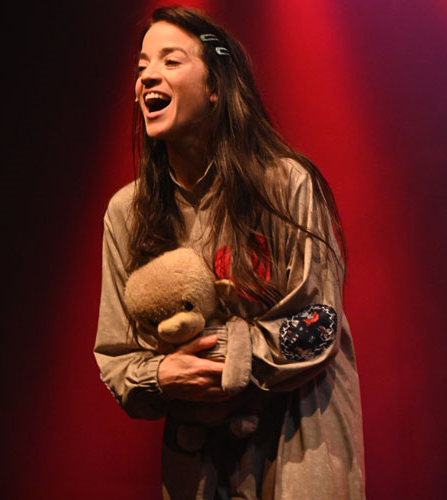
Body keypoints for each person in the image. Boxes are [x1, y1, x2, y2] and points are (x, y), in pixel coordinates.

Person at [94, 6, 365, 500]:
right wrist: (161, 375)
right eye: (141, 67)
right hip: (199, 466)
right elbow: (116, 356)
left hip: (296, 449)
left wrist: (217, 354)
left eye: (170, 61)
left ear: (216, 86)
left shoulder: (285, 185)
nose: (147, 76)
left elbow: (318, 325)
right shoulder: (126, 214)